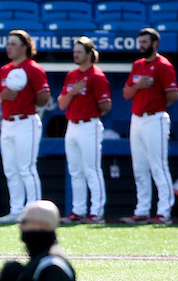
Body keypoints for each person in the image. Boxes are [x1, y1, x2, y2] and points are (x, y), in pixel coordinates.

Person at [119, 28, 178, 225]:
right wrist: (139, 86)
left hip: (155, 118)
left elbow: (173, 95)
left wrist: (155, 101)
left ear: (155, 44)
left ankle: (164, 211)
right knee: (139, 167)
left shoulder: (163, 65)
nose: (141, 45)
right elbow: (126, 93)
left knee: (158, 165)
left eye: (145, 42)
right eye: (140, 41)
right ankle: (142, 210)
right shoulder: (137, 65)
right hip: (137, 119)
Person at [0, 30, 50, 224]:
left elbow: (44, 98)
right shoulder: (4, 70)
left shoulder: (33, 68)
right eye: (8, 44)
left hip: (26, 122)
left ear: (24, 47)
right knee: (10, 169)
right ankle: (16, 210)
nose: (9, 47)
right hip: (7, 123)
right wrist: (3, 96)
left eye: (13, 44)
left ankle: (35, 212)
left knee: (26, 168)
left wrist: (27, 92)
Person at [58, 36, 110, 224]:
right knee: (75, 170)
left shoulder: (96, 75)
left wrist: (89, 106)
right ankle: (78, 210)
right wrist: (72, 92)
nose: (75, 55)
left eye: (79, 52)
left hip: (89, 125)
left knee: (92, 169)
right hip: (72, 125)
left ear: (89, 54)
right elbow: (62, 103)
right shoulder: (72, 75)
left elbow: (106, 106)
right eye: (74, 52)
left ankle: (97, 212)